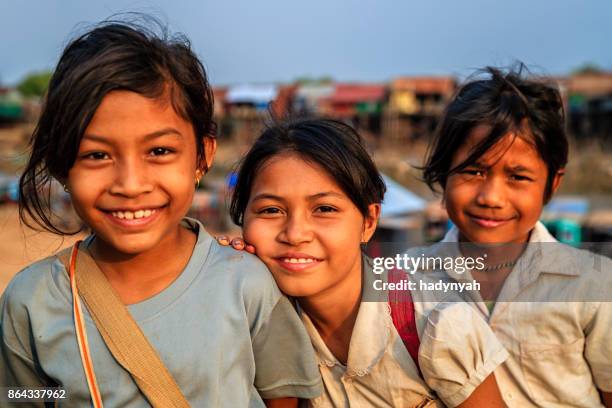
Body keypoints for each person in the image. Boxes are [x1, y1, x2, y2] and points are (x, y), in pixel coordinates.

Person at [0, 20, 321, 407]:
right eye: (97, 155)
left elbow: (281, 398)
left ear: (202, 156)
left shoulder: (246, 283)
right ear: (62, 166)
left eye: (159, 152)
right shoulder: (30, 303)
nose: (131, 185)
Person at [224, 118, 509, 407]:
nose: (295, 234)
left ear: (369, 221)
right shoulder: (252, 321)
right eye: (271, 210)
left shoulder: (435, 322)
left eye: (324, 209)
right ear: (243, 220)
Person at [417, 65, 612, 407]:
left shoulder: (594, 287)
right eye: (473, 171)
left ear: (552, 183)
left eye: (518, 177)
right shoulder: (405, 279)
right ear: (444, 172)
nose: (491, 197)